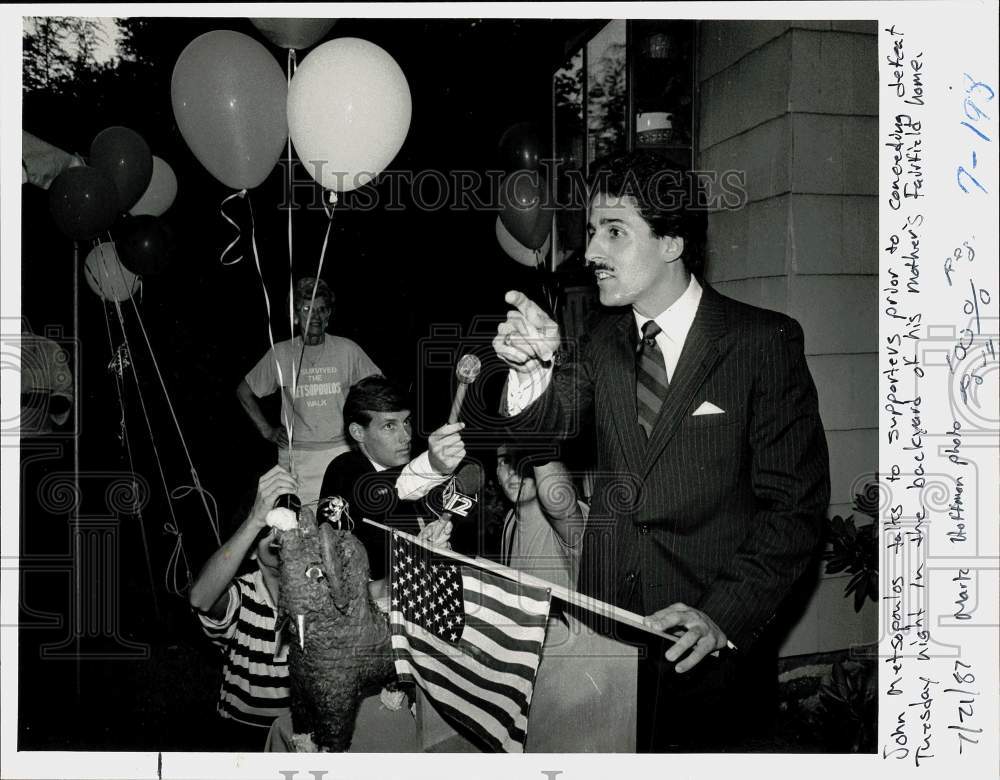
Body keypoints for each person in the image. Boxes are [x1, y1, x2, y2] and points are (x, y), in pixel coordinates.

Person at [493, 151, 830, 751]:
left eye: (614, 231)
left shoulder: (761, 342)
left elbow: (795, 509)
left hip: (705, 654)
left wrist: (722, 615)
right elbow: (542, 431)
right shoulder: (599, 341)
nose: (591, 251)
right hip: (604, 639)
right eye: (592, 231)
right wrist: (532, 369)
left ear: (672, 241)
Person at [237, 277, 380, 511]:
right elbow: (244, 392)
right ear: (295, 315)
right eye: (307, 309)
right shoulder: (280, 353)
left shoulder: (347, 349)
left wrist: (364, 428)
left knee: (343, 525)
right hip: (297, 458)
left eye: (322, 309)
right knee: (296, 527)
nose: (315, 316)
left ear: (329, 314)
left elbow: (378, 388)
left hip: (341, 452)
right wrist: (267, 430)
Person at [319, 376, 466, 602]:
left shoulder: (419, 475)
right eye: (389, 426)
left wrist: (431, 547)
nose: (405, 436)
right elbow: (376, 493)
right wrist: (431, 466)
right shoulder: (344, 470)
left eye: (406, 421)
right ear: (358, 432)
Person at [188, 465, 300, 752]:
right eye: (267, 532)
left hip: (300, 731)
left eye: (284, 528)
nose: (278, 537)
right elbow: (201, 599)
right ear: (251, 550)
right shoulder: (242, 594)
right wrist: (254, 519)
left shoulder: (316, 591)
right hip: (243, 730)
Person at [495, 445, 586, 591]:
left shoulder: (565, 515)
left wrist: (539, 444)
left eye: (520, 458)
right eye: (505, 461)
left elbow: (560, 505)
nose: (512, 470)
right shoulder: (510, 521)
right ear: (497, 475)